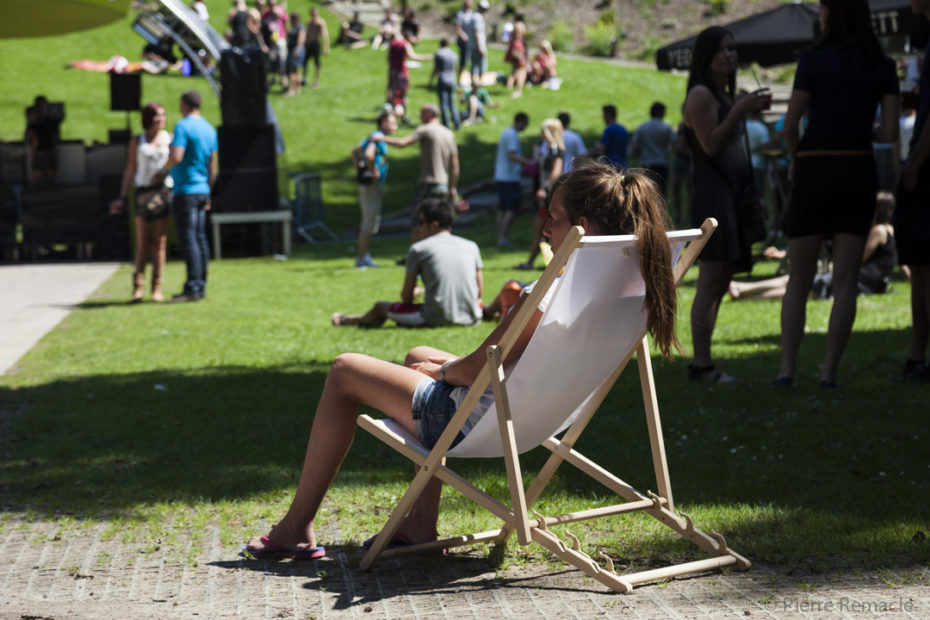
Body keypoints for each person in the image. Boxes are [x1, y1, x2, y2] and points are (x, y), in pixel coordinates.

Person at [243, 159, 681, 559]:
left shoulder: (548, 295)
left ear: (581, 226)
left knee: (344, 370)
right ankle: (419, 523)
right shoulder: (631, 288)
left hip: (475, 421)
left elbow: (476, 368)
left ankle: (295, 529)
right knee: (417, 353)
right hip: (540, 418)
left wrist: (443, 373)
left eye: (553, 219)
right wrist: (438, 369)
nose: (545, 229)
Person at [775, 0, 899, 388]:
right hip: (856, 169)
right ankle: (828, 373)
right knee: (846, 281)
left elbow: (790, 125)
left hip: (814, 168)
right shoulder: (882, 65)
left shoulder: (813, 60)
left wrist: (796, 159)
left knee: (799, 279)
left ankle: (787, 370)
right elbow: (890, 133)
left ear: (831, 14)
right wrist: (861, 130)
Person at [681, 27, 772, 384]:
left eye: (732, 48)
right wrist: (738, 111)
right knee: (711, 281)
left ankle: (704, 362)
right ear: (705, 57)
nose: (729, 54)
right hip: (713, 197)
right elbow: (710, 145)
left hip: (730, 195)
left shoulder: (721, 94)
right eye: (721, 49)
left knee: (721, 282)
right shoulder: (700, 94)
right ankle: (701, 366)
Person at [331, 198, 483, 328]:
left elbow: (406, 298)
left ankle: (349, 320)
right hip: (473, 317)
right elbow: (479, 292)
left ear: (435, 225)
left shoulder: (419, 249)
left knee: (380, 307)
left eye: (421, 222)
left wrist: (414, 292)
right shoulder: (471, 246)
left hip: (435, 318)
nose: (417, 227)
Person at [729, 192, 898, 301]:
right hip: (863, 281)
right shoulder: (891, 231)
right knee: (800, 283)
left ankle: (746, 294)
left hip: (855, 279)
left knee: (802, 286)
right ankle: (743, 289)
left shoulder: (878, 231)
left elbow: (858, 259)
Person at [893, 0, 930, 383]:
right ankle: (917, 356)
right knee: (919, 266)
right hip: (920, 165)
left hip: (923, 169)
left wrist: (915, 165)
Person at [109, 103, 173, 303]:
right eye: (156, 115)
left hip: (162, 192)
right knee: (143, 241)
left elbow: (175, 162)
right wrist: (121, 196)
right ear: (148, 118)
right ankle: (138, 286)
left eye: (163, 115)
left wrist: (164, 173)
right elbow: (130, 169)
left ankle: (157, 287)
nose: (160, 119)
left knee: (160, 242)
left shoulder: (169, 139)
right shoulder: (138, 140)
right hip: (143, 192)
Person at [168, 90, 218, 303]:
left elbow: (177, 157)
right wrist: (209, 191)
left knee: (189, 240)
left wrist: (163, 166)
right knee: (200, 238)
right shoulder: (209, 128)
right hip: (202, 189)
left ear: (185, 104)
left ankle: (193, 288)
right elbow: (213, 165)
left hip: (185, 190)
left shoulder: (182, 126)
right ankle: (201, 284)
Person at [351, 110, 397, 269]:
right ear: (383, 122)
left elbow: (355, 152)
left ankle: (364, 255)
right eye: (392, 122)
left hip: (370, 185)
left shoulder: (374, 136)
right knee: (368, 222)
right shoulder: (377, 137)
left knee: (369, 221)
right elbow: (369, 155)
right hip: (371, 186)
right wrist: (373, 172)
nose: (395, 126)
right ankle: (361, 258)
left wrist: (360, 166)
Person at [518, 118, 564, 270]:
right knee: (541, 230)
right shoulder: (548, 148)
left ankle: (533, 262)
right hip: (548, 195)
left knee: (541, 229)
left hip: (549, 196)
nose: (541, 133)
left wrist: (543, 188)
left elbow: (556, 171)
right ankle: (534, 261)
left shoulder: (555, 149)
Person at [493, 112, 532, 248]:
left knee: (503, 208)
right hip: (509, 177)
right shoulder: (512, 135)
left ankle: (500, 237)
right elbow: (513, 155)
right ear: (520, 122)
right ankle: (502, 238)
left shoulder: (506, 132)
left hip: (503, 176)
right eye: (525, 124)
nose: (525, 128)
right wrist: (529, 162)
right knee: (510, 209)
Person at [629, 101, 678, 196]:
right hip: (662, 163)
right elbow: (675, 144)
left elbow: (635, 146)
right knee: (661, 194)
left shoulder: (642, 127)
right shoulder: (666, 127)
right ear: (662, 113)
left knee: (647, 193)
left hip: (646, 163)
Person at [385, 30, 431, 124]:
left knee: (392, 94)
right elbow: (412, 56)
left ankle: (391, 115)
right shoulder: (404, 44)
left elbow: (388, 59)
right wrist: (426, 56)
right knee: (403, 95)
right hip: (401, 73)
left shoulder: (392, 43)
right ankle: (403, 116)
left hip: (392, 72)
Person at [430, 38, 461, 130]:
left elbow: (436, 68)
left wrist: (431, 79)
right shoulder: (454, 54)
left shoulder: (439, 53)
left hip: (443, 79)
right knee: (452, 103)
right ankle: (457, 123)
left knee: (443, 103)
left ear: (440, 44)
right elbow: (456, 67)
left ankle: (446, 124)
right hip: (452, 80)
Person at [590, 104, 630, 170]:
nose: (602, 117)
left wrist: (589, 153)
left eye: (603, 114)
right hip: (623, 164)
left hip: (612, 165)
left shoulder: (609, 129)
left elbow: (602, 148)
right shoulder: (623, 129)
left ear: (608, 115)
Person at [744, 109, 771, 199]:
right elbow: (765, 146)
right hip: (757, 163)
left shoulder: (744, 126)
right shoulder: (761, 128)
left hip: (744, 162)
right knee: (758, 191)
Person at [301, 7, 329, 90]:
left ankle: (316, 80)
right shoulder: (309, 22)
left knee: (317, 63)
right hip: (308, 44)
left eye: (315, 12)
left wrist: (326, 47)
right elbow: (306, 33)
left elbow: (324, 34)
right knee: (305, 62)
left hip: (316, 44)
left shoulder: (320, 22)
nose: (314, 14)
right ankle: (304, 78)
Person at [464, 0, 489, 87]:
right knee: (480, 65)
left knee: (474, 64)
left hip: (473, 45)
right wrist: (480, 46)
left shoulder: (474, 16)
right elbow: (476, 32)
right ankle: (478, 84)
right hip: (477, 46)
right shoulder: (478, 18)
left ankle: (474, 83)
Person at [284, 11, 306, 97]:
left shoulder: (300, 27)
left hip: (296, 51)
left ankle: (291, 90)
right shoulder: (293, 26)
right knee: (296, 71)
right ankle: (297, 89)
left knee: (292, 71)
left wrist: (297, 50)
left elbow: (301, 39)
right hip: (292, 50)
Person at [504, 21, 528, 97]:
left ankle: (510, 84)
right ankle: (518, 90)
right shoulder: (520, 27)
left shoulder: (515, 28)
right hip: (518, 47)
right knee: (521, 70)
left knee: (515, 69)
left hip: (514, 46)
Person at [454, 0, 474, 78]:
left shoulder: (471, 13)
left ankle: (470, 76)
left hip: (471, 40)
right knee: (463, 60)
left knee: (471, 59)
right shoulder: (460, 14)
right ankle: (460, 76)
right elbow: (458, 28)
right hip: (463, 41)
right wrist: (464, 36)